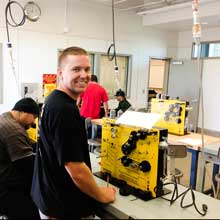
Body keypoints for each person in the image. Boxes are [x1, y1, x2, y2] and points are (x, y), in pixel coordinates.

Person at [31, 46, 116, 219]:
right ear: (61, 73)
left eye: (87, 69)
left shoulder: (53, 100)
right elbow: (76, 170)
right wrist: (102, 194)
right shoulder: (64, 110)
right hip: (62, 207)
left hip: (49, 196)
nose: (84, 75)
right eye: (76, 69)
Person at [0, 97, 40, 219]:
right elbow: (26, 163)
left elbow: (26, 142)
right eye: (34, 117)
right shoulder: (13, 129)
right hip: (9, 188)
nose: (33, 123)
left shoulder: (5, 118)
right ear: (23, 112)